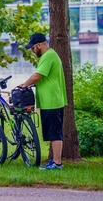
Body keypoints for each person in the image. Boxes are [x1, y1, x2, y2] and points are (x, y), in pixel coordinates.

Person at [19, 33, 67, 170]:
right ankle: (55, 161)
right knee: (53, 132)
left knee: (55, 132)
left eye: (33, 49)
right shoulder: (51, 55)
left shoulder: (48, 56)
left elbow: (37, 76)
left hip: (52, 100)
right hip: (51, 100)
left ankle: (57, 163)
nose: (33, 52)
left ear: (38, 45)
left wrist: (23, 85)